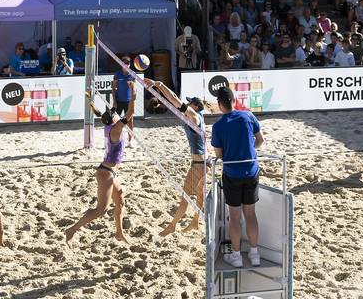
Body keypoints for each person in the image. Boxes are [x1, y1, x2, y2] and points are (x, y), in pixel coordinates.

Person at [64, 96, 135, 244]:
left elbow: (113, 108)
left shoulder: (109, 124)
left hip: (112, 172)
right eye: (115, 114)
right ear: (114, 120)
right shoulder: (115, 130)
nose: (117, 114)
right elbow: (130, 112)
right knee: (101, 210)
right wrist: (134, 95)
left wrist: (114, 91)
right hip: (106, 173)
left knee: (120, 201)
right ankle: (72, 230)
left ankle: (119, 233)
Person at [148, 81, 211, 236]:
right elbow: (173, 104)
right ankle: (195, 221)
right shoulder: (199, 116)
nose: (187, 104)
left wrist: (160, 85)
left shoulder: (195, 117)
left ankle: (172, 226)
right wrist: (159, 97)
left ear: (195, 106)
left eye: (190, 103)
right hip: (206, 161)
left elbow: (175, 99)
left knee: (186, 196)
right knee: (200, 192)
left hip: (199, 163)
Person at [211, 86, 264, 268]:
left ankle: (236, 256)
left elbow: (219, 153)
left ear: (219, 104)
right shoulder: (248, 116)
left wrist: (232, 153)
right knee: (250, 214)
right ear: (234, 101)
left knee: (234, 217)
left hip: (232, 172)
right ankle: (255, 253)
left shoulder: (218, 126)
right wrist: (247, 151)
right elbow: (260, 140)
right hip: (251, 170)